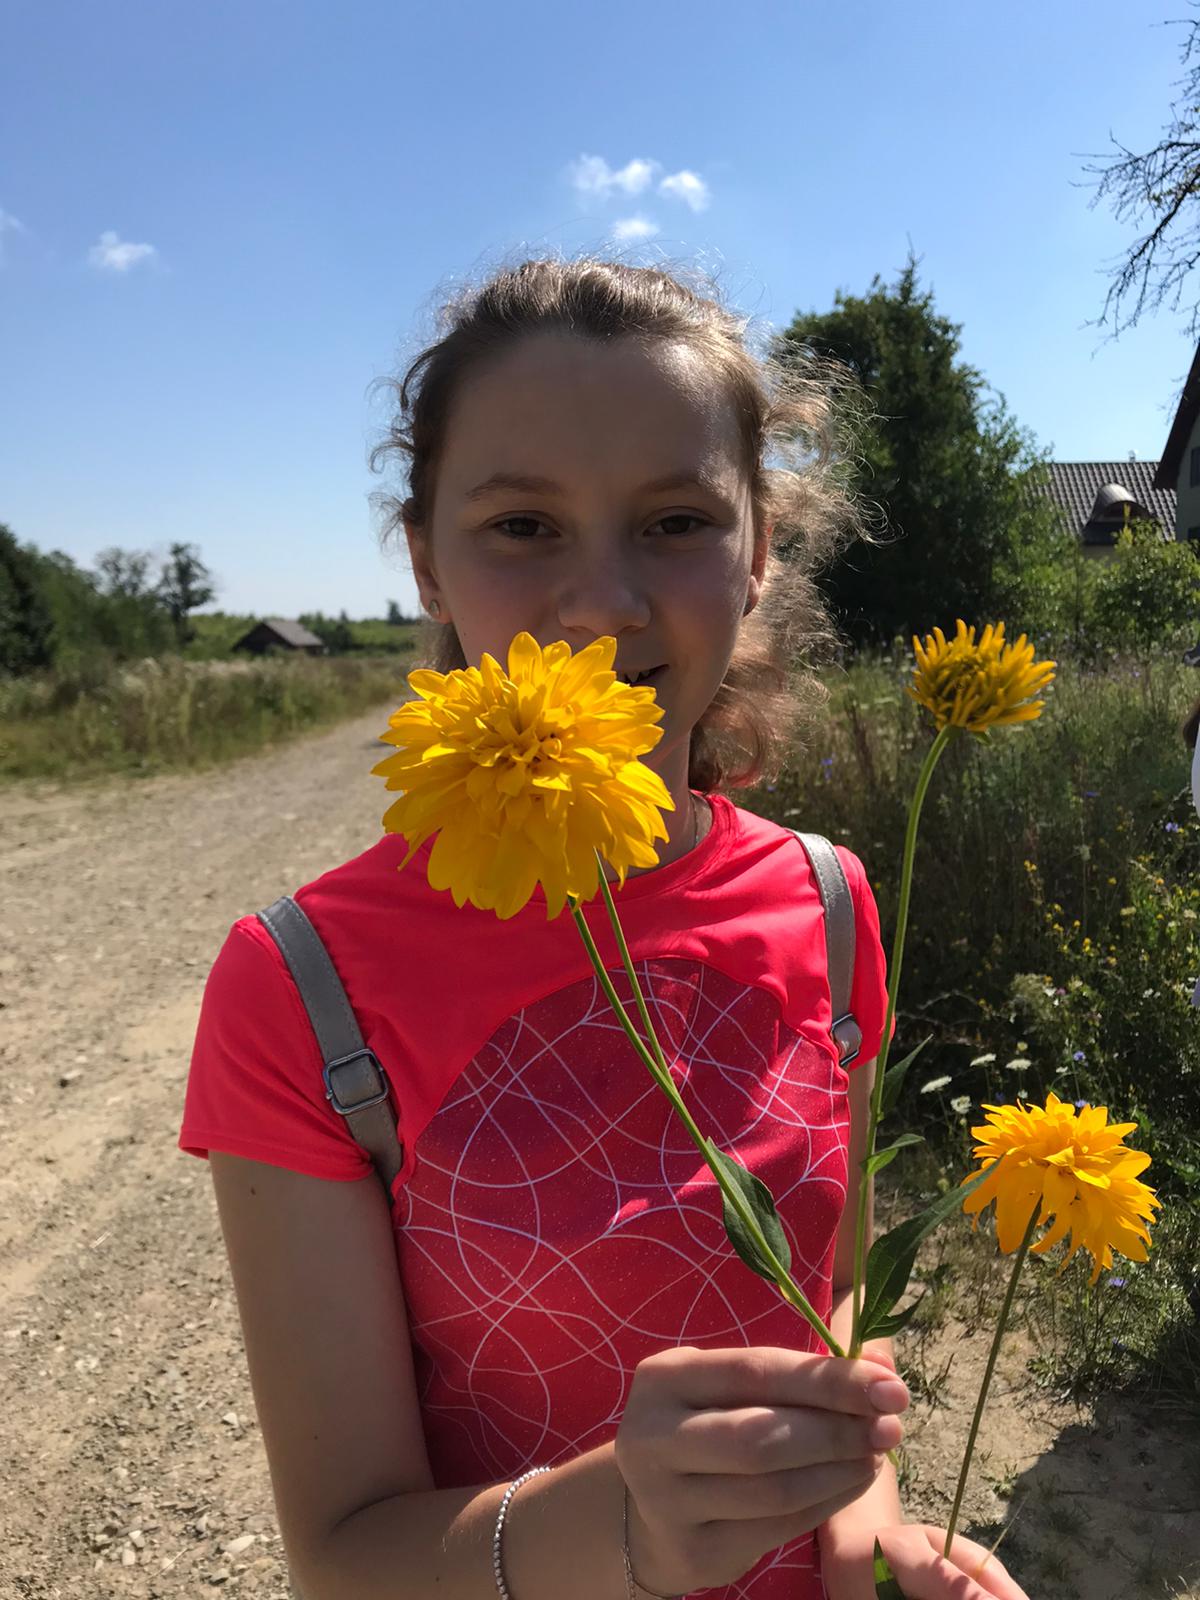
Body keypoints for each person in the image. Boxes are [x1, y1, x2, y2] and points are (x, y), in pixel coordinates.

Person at [177, 257, 1031, 1600]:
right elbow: (343, 1557)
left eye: (677, 520)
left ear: (758, 556)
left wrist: (875, 1543)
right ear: (427, 565)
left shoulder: (832, 896)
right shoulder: (298, 984)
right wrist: (619, 1532)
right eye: (523, 526)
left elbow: (830, 1317)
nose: (602, 602)